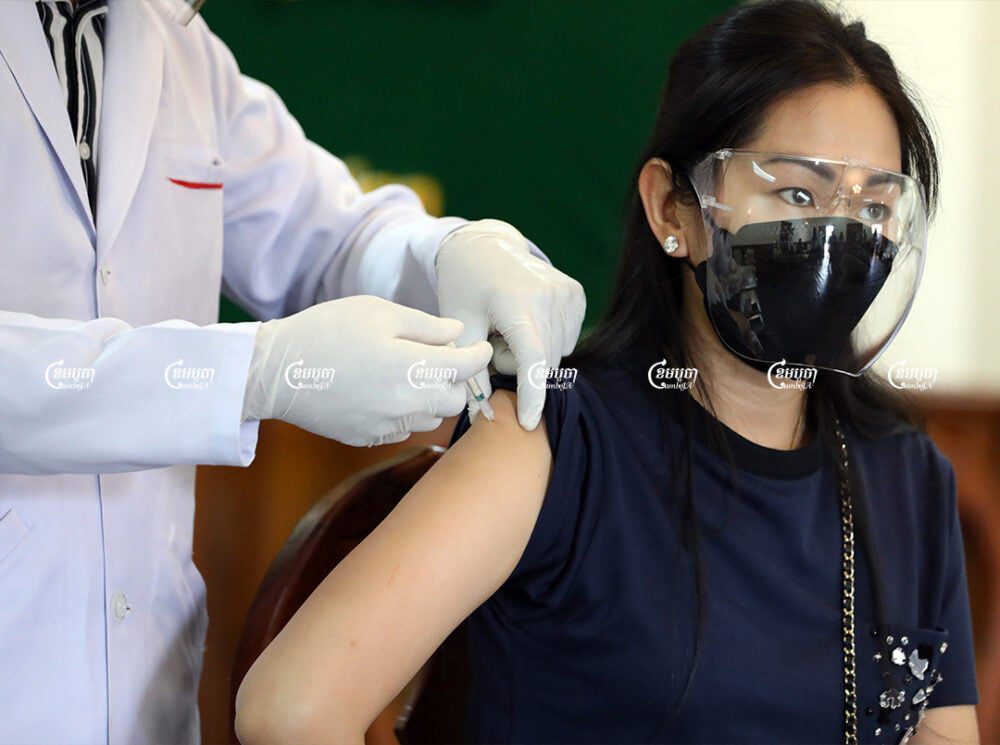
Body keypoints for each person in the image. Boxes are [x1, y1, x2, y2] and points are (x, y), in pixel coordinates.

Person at [232, 0, 982, 743]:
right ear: (673, 210)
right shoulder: (553, 440)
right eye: (795, 194)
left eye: (873, 208)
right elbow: (291, 711)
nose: (837, 234)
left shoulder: (905, 475)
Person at [0, 0, 585, 742]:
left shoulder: (173, 47)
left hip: (144, 689)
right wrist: (254, 372)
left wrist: (448, 255)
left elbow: (328, 235)